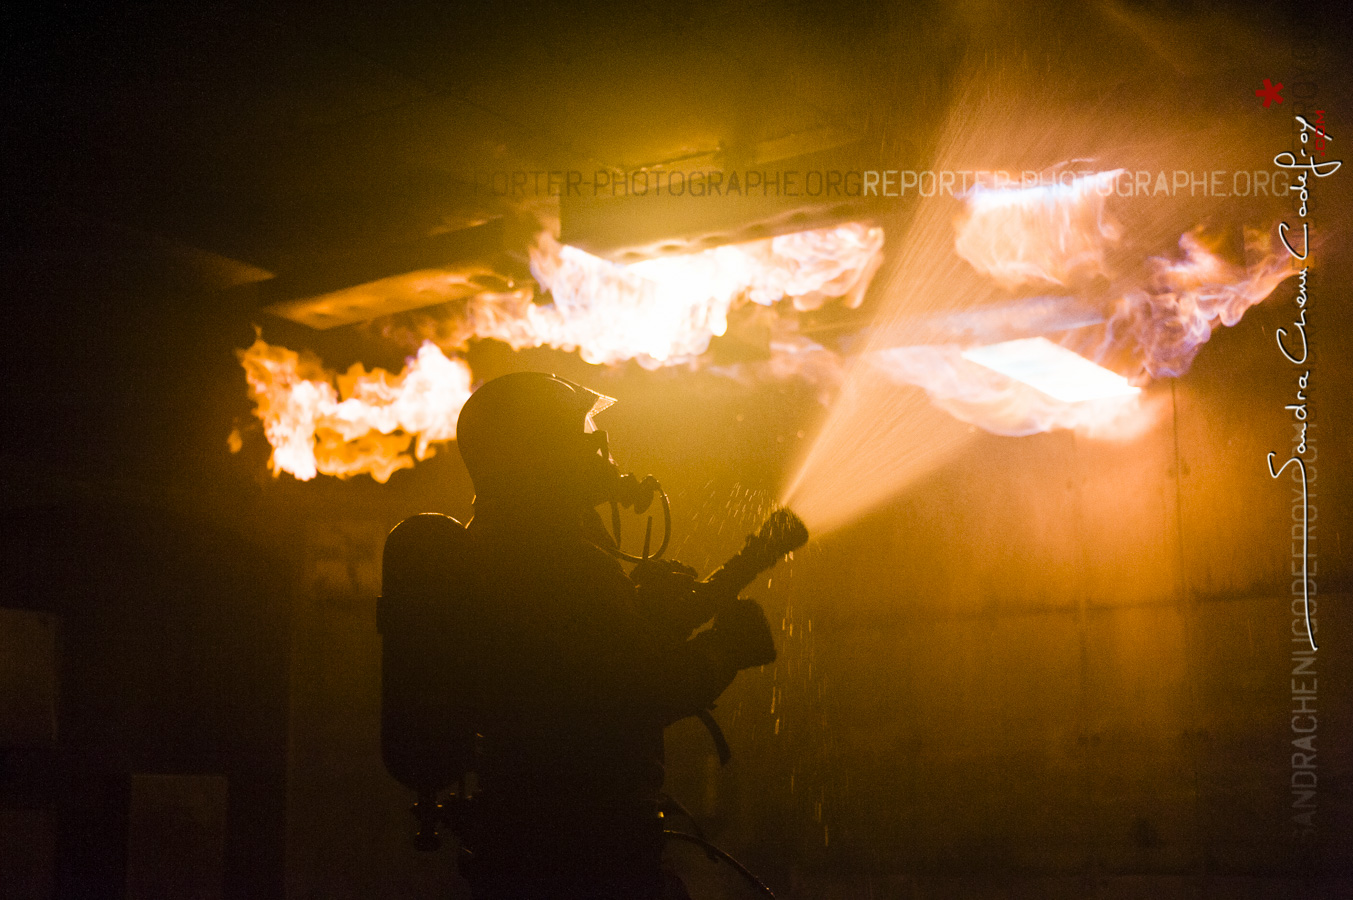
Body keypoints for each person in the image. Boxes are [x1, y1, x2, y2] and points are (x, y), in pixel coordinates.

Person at [446, 371, 776, 900]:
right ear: (539, 452)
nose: (599, 444)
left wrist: (660, 609)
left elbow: (589, 661)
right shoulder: (557, 562)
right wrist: (727, 650)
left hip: (530, 845)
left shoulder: (503, 544)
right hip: (588, 851)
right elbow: (636, 691)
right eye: (581, 431)